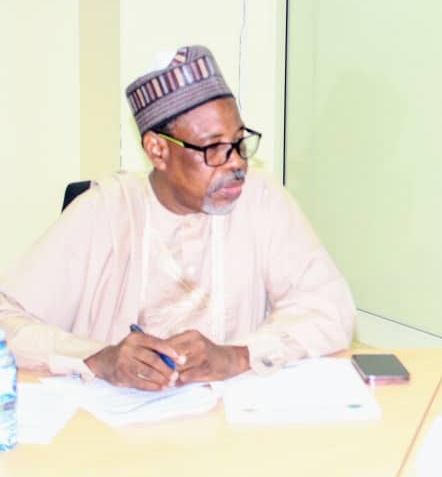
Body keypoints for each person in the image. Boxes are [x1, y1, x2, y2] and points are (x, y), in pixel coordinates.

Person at [0, 45, 356, 391]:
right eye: (213, 147)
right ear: (158, 150)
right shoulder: (106, 211)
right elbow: (6, 318)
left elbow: (331, 310)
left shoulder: (260, 200)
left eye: (239, 142)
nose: (236, 162)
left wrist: (238, 356)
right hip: (115, 422)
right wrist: (98, 359)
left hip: (230, 420)